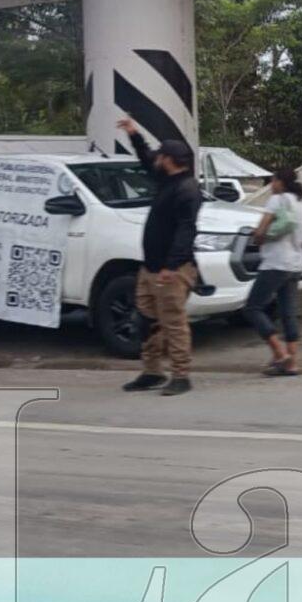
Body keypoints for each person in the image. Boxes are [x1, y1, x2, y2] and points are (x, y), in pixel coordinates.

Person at [117, 117, 203, 397]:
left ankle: (181, 375)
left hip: (172, 271)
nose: (156, 158)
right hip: (151, 268)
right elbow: (146, 159)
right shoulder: (167, 179)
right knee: (146, 319)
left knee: (173, 323)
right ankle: (152, 372)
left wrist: (171, 265)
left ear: (169, 160)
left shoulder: (187, 190)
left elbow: (186, 230)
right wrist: (134, 134)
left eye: (160, 155)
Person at [240, 168, 302, 377]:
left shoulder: (276, 201)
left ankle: (280, 354)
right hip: (296, 264)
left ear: (280, 182)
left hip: (276, 263)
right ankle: (292, 363)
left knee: (252, 308)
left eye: (273, 181)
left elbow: (261, 232)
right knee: (288, 313)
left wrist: (257, 236)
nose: (271, 185)